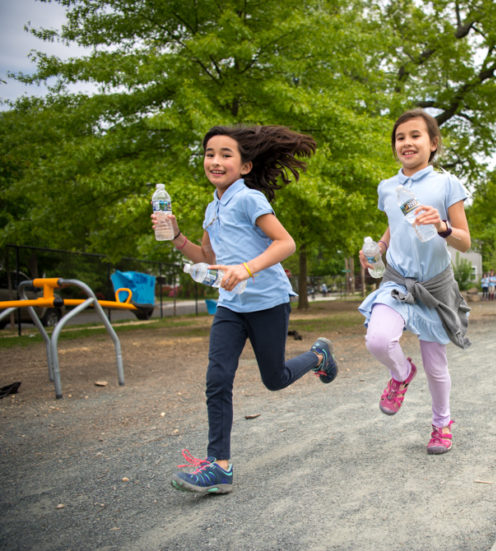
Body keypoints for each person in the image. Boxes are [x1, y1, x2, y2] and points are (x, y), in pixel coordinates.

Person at [161, 125, 338, 494]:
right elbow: (209, 258)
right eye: (210, 153)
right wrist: (178, 237)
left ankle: (318, 355)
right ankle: (219, 467)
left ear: (244, 166)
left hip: (267, 301)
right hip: (231, 305)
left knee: (274, 379)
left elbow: (285, 243)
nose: (216, 160)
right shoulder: (212, 206)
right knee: (217, 377)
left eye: (226, 154)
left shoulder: (249, 199)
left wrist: (246, 268)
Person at [358, 108, 471, 454]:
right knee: (377, 340)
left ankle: (441, 425)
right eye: (400, 137)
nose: (406, 143)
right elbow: (395, 224)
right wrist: (378, 248)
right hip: (396, 281)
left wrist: (442, 227)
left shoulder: (447, 184)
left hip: (435, 287)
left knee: (436, 366)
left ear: (433, 143)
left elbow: (465, 240)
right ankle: (402, 372)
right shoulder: (387, 187)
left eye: (415, 135)